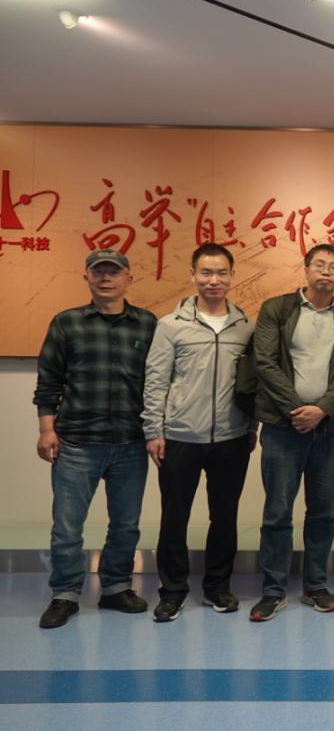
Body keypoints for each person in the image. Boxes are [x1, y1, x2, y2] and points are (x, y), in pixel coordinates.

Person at [34, 249, 157, 629]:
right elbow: (49, 381)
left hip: (130, 443)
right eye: (98, 271)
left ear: (128, 278)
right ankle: (65, 594)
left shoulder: (147, 324)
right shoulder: (67, 322)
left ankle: (116, 588)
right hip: (76, 442)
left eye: (113, 272)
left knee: (125, 524)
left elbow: (159, 383)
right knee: (67, 527)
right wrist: (46, 429)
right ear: (86, 276)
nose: (106, 278)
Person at [142, 243, 256, 622]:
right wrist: (154, 431)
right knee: (174, 518)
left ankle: (218, 587)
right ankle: (172, 591)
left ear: (232, 276)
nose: (213, 280)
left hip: (231, 438)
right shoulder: (170, 325)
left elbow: (251, 383)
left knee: (224, 517)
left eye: (221, 272)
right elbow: (156, 381)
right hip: (180, 438)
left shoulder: (245, 326)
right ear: (193, 275)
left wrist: (251, 426)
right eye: (206, 272)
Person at [249, 244, 334, 622]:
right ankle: (273, 590)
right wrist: (297, 409)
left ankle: (315, 585)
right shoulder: (276, 309)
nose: (326, 272)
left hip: (330, 430)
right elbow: (264, 362)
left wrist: (322, 410)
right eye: (320, 265)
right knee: (278, 511)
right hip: (283, 427)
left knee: (323, 512)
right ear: (306, 268)